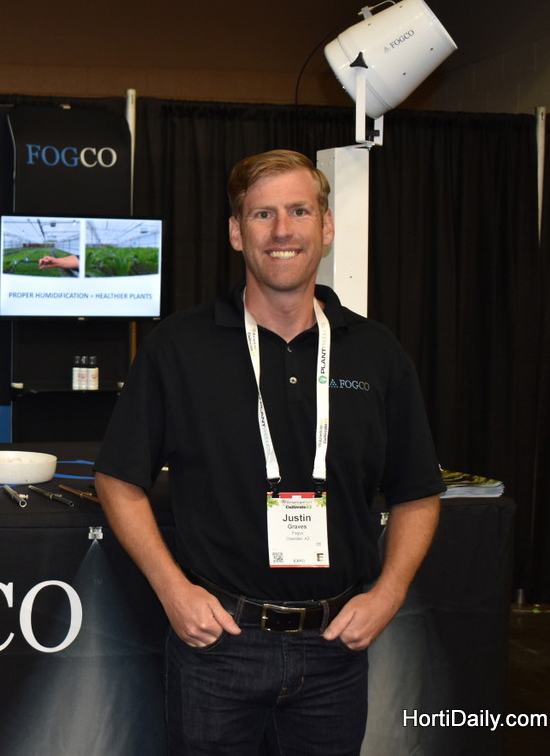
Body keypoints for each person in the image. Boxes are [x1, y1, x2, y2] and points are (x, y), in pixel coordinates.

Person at [93, 149, 444, 756]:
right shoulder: (178, 347)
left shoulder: (376, 353)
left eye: (299, 211)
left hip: (336, 648)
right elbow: (118, 479)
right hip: (217, 647)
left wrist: (388, 595)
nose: (282, 230)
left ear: (326, 227)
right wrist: (173, 591)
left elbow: (418, 491)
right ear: (236, 232)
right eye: (262, 215)